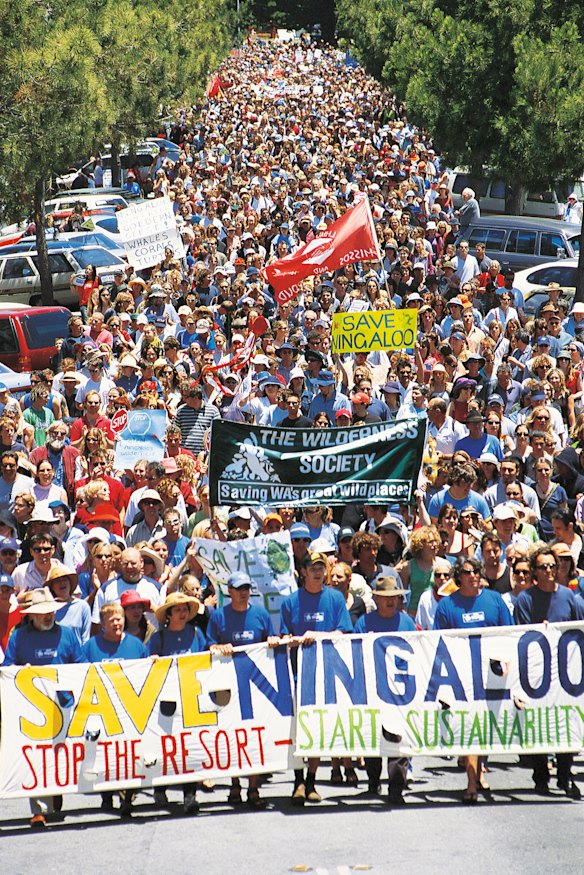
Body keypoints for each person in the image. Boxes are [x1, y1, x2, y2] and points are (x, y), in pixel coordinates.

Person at [434, 556, 513, 804]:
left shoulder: (495, 600)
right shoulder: (447, 605)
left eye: (476, 571)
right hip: (462, 677)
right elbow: (439, 641)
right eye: (468, 572)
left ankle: (479, 771)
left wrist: (506, 663)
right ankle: (471, 782)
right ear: (459, 577)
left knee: (486, 726)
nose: (473, 576)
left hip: (491, 674)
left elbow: (508, 634)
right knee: (470, 727)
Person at [3, 587, 82, 827]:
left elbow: (81, 666)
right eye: (42, 612)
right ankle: (38, 809)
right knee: (36, 755)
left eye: (51, 611)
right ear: (31, 615)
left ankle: (54, 790)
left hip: (64, 706)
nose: (48, 616)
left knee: (60, 754)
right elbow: (7, 667)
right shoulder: (18, 636)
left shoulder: (68, 634)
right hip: (32, 709)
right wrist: (19, 670)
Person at [280, 551, 352, 806]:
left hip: (327, 673)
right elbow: (283, 636)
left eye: (321, 567)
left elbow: (344, 633)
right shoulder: (290, 602)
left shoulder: (335, 598)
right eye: (313, 568)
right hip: (297, 673)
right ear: (303, 572)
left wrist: (318, 636)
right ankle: (298, 781)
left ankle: (311, 781)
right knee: (297, 730)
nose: (318, 572)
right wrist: (294, 640)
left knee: (317, 729)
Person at [514, 546, 584, 798]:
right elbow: (519, 635)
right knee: (539, 723)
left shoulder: (569, 597)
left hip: (565, 673)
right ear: (535, 571)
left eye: (552, 566)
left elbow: (578, 631)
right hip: (536, 673)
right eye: (543, 567)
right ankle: (541, 775)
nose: (549, 571)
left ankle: (565, 775)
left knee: (566, 721)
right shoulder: (525, 599)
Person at [207, 571, 280, 808]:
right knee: (232, 734)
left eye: (246, 588)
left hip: (256, 687)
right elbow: (209, 645)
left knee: (254, 736)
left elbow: (273, 640)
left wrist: (272, 641)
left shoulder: (261, 615)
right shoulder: (218, 616)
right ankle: (235, 784)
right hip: (228, 686)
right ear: (229, 591)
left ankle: (254, 788)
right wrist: (218, 647)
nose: (243, 593)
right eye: (239, 589)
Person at [354, 576, 416, 804]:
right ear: (377, 599)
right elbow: (354, 652)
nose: (391, 601)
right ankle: (373, 781)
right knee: (373, 736)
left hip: (400, 690)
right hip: (373, 688)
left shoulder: (407, 623)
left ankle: (396, 788)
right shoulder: (364, 623)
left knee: (398, 739)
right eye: (386, 597)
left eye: (394, 597)